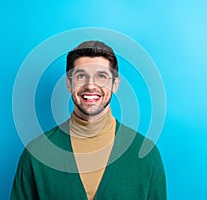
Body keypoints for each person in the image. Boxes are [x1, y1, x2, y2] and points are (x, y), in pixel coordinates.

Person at [10, 41, 166, 200]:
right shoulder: (37, 154)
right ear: (69, 84)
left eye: (101, 76)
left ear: (115, 84)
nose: (90, 86)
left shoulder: (145, 155)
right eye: (81, 76)